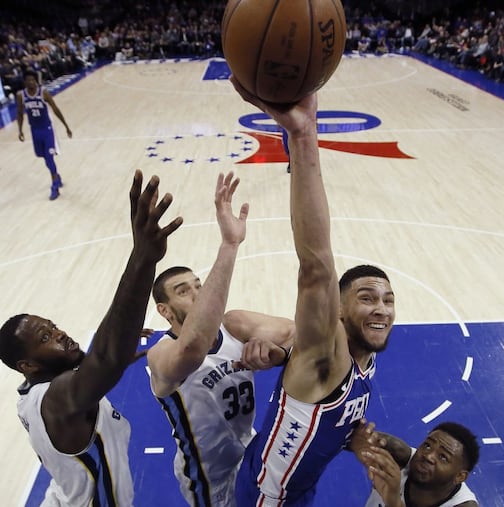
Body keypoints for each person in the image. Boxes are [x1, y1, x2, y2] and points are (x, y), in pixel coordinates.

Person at [230, 82, 396, 505]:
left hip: (297, 489)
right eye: (367, 298)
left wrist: (284, 349)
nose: (381, 310)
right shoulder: (327, 354)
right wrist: (303, 138)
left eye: (387, 300)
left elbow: (237, 319)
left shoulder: (362, 354)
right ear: (337, 311)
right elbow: (316, 266)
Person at [0, 171, 182, 506]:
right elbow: (104, 361)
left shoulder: (32, 391)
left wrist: (117, 346)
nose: (60, 334)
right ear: (28, 364)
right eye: (46, 337)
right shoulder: (55, 402)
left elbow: (96, 362)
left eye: (53, 326)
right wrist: (142, 258)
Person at [146, 172, 294, 506]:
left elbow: (299, 334)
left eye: (199, 285)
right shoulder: (161, 355)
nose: (199, 294)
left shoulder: (236, 325)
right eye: (185, 292)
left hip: (250, 452)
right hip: (206, 475)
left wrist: (278, 353)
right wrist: (230, 245)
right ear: (164, 310)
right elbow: (194, 347)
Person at [351, 420, 480, 507]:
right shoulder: (397, 454)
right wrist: (358, 443)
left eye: (443, 457)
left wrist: (394, 502)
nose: (428, 456)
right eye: (427, 445)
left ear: (460, 476)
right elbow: (352, 436)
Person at [16, 69, 73, 200]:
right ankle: (56, 176)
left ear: (36, 80)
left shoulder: (43, 93)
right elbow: (19, 113)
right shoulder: (21, 95)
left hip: (47, 130)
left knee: (50, 158)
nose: (31, 82)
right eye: (28, 80)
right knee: (45, 159)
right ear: (24, 82)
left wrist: (66, 126)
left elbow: (55, 109)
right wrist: (20, 130)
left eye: (33, 80)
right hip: (34, 131)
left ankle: (55, 187)